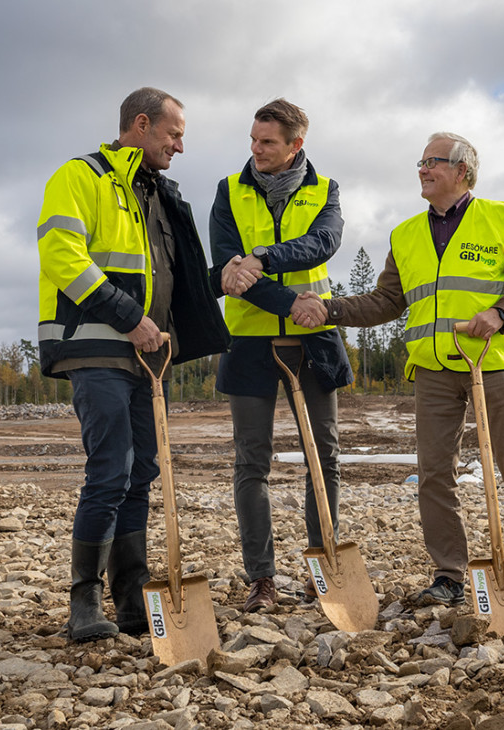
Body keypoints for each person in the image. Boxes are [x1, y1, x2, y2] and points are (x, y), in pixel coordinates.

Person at [294, 132, 504, 618]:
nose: (422, 169)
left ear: (462, 170)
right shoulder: (405, 235)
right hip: (433, 368)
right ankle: (449, 576)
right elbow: (384, 301)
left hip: (492, 361)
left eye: (433, 162)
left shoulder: (503, 220)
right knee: (433, 475)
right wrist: (330, 308)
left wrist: (502, 313)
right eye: (420, 162)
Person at [36, 87, 229, 642]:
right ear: (140, 125)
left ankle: (132, 601)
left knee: (142, 472)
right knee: (111, 471)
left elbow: (178, 280)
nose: (181, 147)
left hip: (148, 357)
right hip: (97, 347)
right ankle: (83, 605)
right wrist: (130, 318)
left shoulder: (160, 196)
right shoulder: (81, 177)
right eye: (174, 135)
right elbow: (62, 257)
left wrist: (218, 281)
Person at [210, 99, 353, 613]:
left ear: (296, 145)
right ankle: (262, 579)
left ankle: (325, 568)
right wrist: (290, 301)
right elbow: (231, 274)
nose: (256, 150)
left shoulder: (325, 190)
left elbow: (322, 243)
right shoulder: (228, 191)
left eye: (267, 142)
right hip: (249, 342)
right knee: (252, 462)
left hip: (315, 343)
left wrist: (265, 257)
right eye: (252, 139)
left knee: (326, 457)